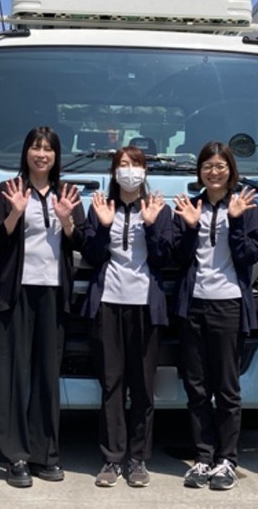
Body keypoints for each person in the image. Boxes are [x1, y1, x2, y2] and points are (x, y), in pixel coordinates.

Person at [0, 126, 85, 488]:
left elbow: (83, 242)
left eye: (48, 149)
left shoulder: (67, 193)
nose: (41, 154)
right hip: (16, 294)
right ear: (26, 152)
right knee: (13, 374)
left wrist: (67, 219)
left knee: (46, 374)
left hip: (54, 294)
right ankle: (15, 456)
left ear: (57, 156)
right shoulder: (9, 189)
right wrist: (15, 213)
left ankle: (45, 454)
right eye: (35, 148)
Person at [171, 141, 258, 491]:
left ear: (230, 170)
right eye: (208, 166)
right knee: (196, 387)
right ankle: (202, 457)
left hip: (228, 305)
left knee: (226, 388)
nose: (214, 172)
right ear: (200, 171)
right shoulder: (190, 206)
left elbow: (249, 256)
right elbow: (177, 258)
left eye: (220, 166)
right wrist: (190, 226)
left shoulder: (245, 206)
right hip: (193, 305)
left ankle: (227, 460)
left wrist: (236, 221)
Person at [81, 146, 172, 488]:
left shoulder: (159, 208)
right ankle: (111, 458)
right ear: (114, 172)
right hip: (107, 303)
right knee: (112, 384)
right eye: (122, 164)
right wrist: (104, 227)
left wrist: (151, 225)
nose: (129, 170)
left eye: (135, 164)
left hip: (145, 306)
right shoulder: (101, 206)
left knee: (143, 386)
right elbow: (90, 255)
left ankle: (138, 459)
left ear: (145, 171)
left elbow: (164, 258)